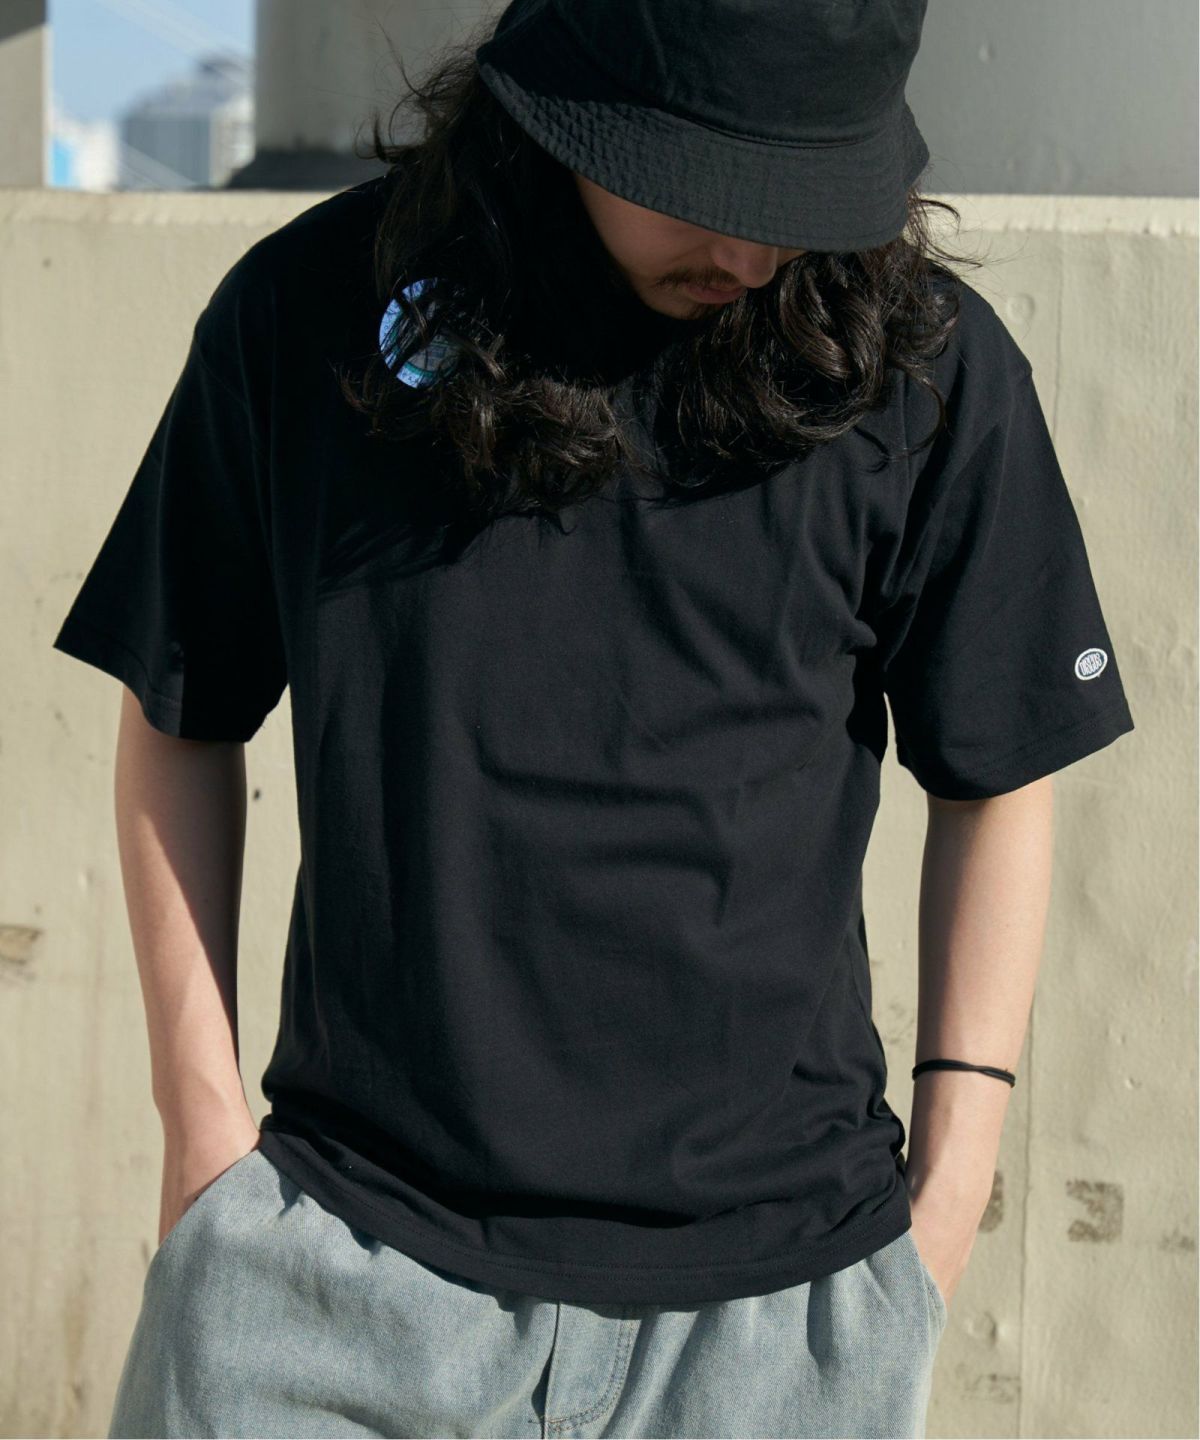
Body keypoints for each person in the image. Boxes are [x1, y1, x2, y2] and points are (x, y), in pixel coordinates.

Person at [51, 1, 1136, 1436]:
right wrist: (201, 1135)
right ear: (575, 97)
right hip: (333, 1274)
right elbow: (181, 707)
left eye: (797, 199)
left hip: (779, 1322)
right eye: (709, 185)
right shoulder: (308, 314)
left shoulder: (925, 369)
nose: (750, 252)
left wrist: (952, 1185)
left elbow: (997, 771)